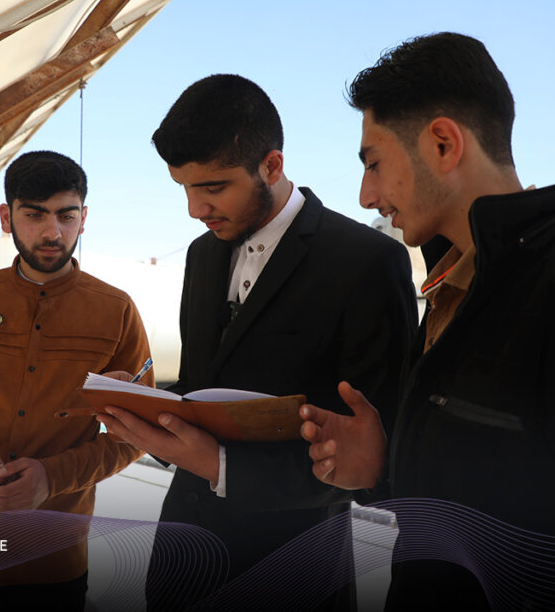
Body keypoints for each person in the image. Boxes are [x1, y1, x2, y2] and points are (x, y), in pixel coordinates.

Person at [300, 32, 555, 610]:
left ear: (443, 144)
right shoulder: (452, 288)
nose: (366, 195)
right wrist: (384, 468)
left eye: (374, 163)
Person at [97, 74, 417, 610]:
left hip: (293, 572)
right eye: (184, 189)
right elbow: (205, 387)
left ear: (271, 165)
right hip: (180, 562)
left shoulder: (366, 262)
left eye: (213, 188)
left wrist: (221, 467)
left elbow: (372, 452)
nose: (195, 210)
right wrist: (145, 402)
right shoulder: (201, 255)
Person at [0, 150, 153, 610]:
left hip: (51, 558)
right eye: (35, 215)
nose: (52, 232)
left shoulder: (116, 310)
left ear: (83, 219)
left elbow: (138, 433)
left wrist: (52, 478)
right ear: (7, 217)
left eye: (66, 216)